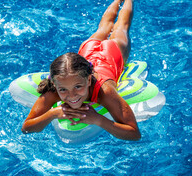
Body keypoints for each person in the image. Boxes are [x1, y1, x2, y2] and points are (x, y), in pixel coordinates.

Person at [22, 0, 141, 141]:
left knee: (121, 27)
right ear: (55, 85)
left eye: (78, 86)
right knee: (103, 28)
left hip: (112, 53)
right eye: (63, 90)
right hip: (88, 50)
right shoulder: (54, 89)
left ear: (89, 80)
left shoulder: (104, 91)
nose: (71, 96)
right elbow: (26, 128)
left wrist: (99, 120)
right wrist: (53, 113)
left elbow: (134, 134)